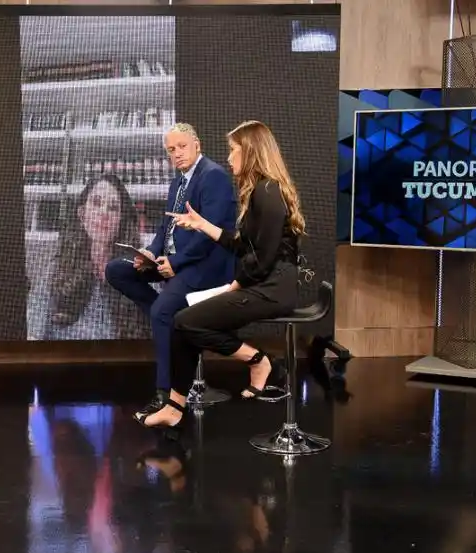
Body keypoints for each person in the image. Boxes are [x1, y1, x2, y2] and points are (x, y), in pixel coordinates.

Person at [136, 120, 304, 429]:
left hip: (272, 289)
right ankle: (174, 407)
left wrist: (233, 286)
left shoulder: (268, 192)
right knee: (183, 321)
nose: (228, 157)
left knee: (185, 321)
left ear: (250, 152)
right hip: (261, 283)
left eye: (233, 150)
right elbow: (241, 245)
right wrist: (203, 225)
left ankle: (258, 360)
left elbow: (262, 261)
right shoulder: (259, 191)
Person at [104, 123, 237, 417]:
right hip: (174, 262)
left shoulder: (213, 176)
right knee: (116, 270)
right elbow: (166, 228)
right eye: (171, 150)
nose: (176, 154)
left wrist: (175, 264)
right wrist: (151, 253)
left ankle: (165, 394)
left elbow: (209, 234)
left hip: (204, 267)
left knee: (161, 311)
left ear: (197, 144)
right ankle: (174, 321)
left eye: (181, 147)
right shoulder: (178, 181)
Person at [44, 175, 149, 340]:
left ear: (121, 221)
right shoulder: (55, 271)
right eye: (96, 202)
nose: (104, 213)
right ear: (82, 213)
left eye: (113, 208)